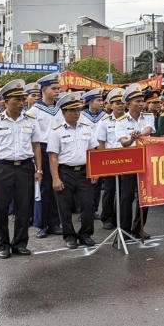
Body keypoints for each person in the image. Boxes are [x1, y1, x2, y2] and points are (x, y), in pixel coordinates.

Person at [0, 80, 43, 259]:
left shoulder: (30, 120)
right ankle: (3, 245)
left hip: (25, 167)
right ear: (5, 101)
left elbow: (36, 146)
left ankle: (20, 243)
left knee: (24, 207)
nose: (21, 103)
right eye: (16, 100)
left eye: (22, 99)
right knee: (1, 209)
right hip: (3, 168)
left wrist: (39, 170)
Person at [47, 92, 100, 249]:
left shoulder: (86, 128)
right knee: (65, 206)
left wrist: (94, 171)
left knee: (88, 204)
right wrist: (56, 178)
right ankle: (69, 235)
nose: (77, 113)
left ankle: (85, 234)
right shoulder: (56, 131)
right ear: (64, 113)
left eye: (78, 110)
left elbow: (93, 151)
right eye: (72, 111)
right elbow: (53, 157)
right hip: (65, 172)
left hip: (84, 171)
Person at [116, 84, 156, 238]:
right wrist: (132, 138)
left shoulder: (149, 116)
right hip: (129, 160)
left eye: (142, 101)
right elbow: (124, 142)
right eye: (137, 101)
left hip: (146, 159)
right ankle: (125, 230)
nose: (141, 104)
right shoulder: (120, 121)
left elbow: (149, 130)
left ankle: (139, 228)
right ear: (128, 104)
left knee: (144, 197)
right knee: (126, 197)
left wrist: (139, 134)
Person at [27, 72, 63, 239]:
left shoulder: (60, 109)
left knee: (57, 188)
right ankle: (42, 224)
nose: (57, 91)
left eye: (58, 88)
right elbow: (32, 137)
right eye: (53, 88)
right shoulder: (34, 111)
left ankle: (55, 222)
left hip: (59, 150)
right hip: (42, 149)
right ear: (44, 90)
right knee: (43, 189)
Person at [95, 88, 125, 230]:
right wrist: (103, 163)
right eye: (117, 103)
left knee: (125, 192)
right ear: (111, 105)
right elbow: (100, 143)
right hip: (111, 159)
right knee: (110, 190)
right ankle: (107, 218)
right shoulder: (104, 122)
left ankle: (121, 217)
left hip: (128, 160)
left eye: (122, 102)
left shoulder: (129, 120)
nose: (120, 105)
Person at [79, 87, 105, 219]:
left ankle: (94, 208)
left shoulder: (105, 116)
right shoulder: (80, 116)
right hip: (84, 151)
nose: (101, 103)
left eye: (102, 100)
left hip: (98, 151)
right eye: (98, 100)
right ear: (90, 102)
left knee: (97, 182)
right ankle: (82, 210)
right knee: (83, 181)